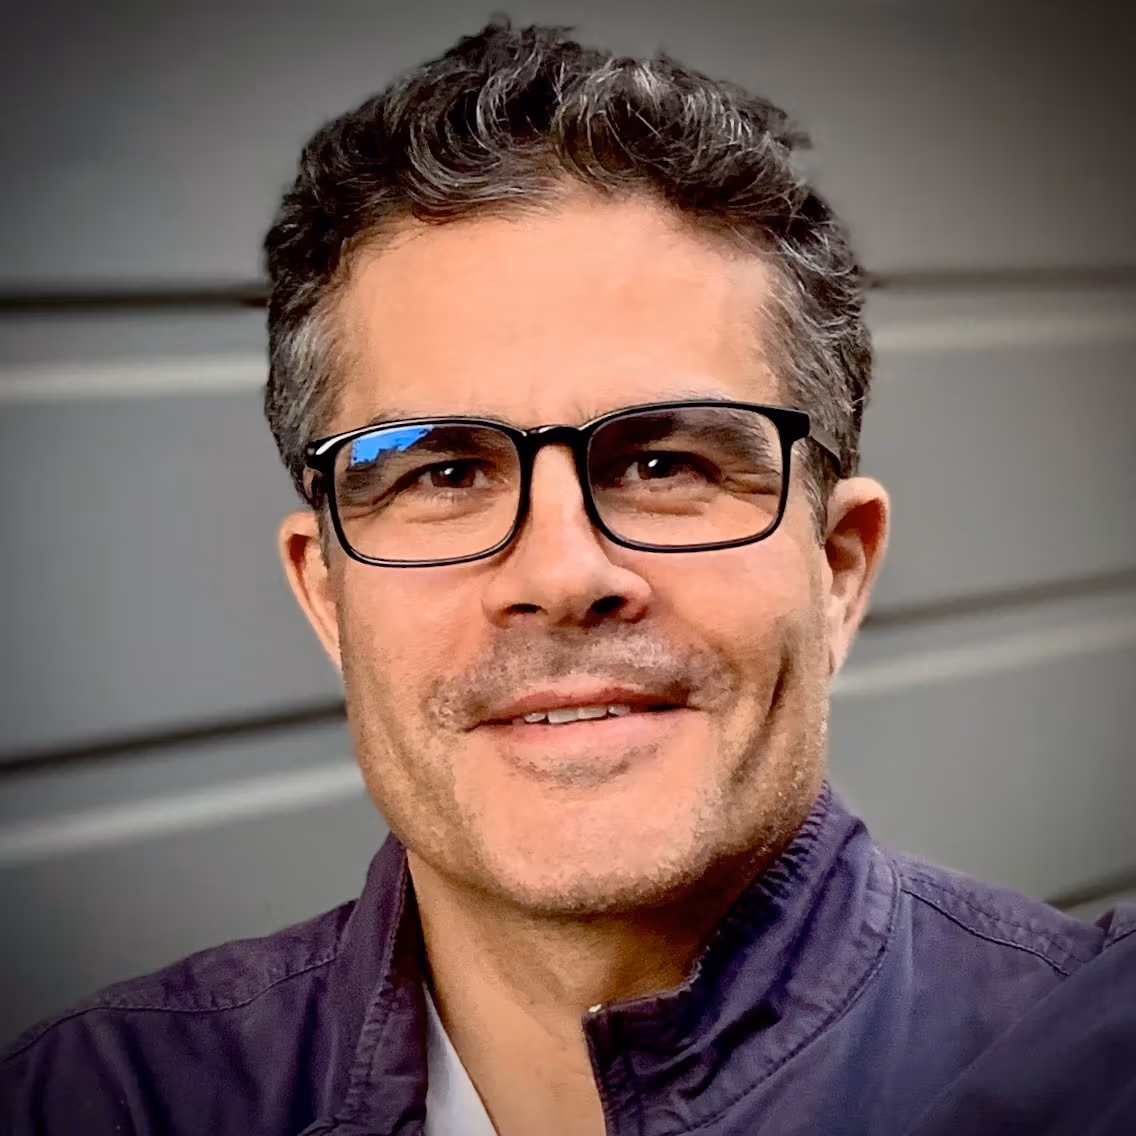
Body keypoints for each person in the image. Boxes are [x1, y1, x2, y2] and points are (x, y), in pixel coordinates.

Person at [2, 20, 1133, 1136]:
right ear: (325, 595)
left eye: (663, 462)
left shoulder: (1084, 1078)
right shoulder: (96, 1099)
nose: (560, 571)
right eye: (443, 470)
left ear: (836, 569)